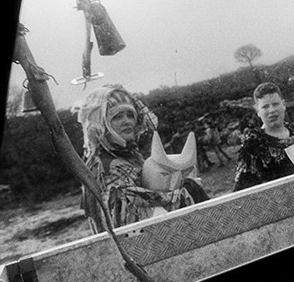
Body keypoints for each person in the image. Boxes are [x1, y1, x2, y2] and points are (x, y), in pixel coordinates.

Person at [73, 84, 208, 232]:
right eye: (117, 117)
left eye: (130, 115)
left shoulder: (126, 157)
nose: (127, 121)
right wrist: (184, 192)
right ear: (101, 124)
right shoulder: (106, 166)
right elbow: (137, 207)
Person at [233, 82, 294, 191]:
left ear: (283, 105)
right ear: (258, 111)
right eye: (265, 106)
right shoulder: (254, 144)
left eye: (275, 104)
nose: (272, 110)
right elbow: (243, 191)